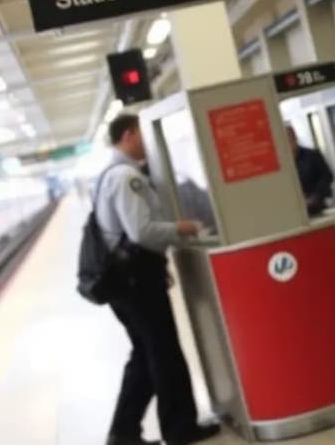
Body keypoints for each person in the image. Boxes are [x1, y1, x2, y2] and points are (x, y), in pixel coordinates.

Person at [95, 115, 221, 445]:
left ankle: (123, 432)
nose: (146, 142)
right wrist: (182, 228)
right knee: (164, 353)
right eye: (141, 134)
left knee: (144, 353)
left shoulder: (112, 174)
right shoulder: (126, 177)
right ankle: (180, 430)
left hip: (126, 280)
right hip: (136, 281)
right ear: (128, 134)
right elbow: (141, 230)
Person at [287, 126, 333, 216]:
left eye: (290, 139)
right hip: (293, 213)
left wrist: (315, 196)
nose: (288, 143)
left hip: (316, 208)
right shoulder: (283, 163)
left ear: (295, 138)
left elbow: (327, 176)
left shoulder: (312, 155)